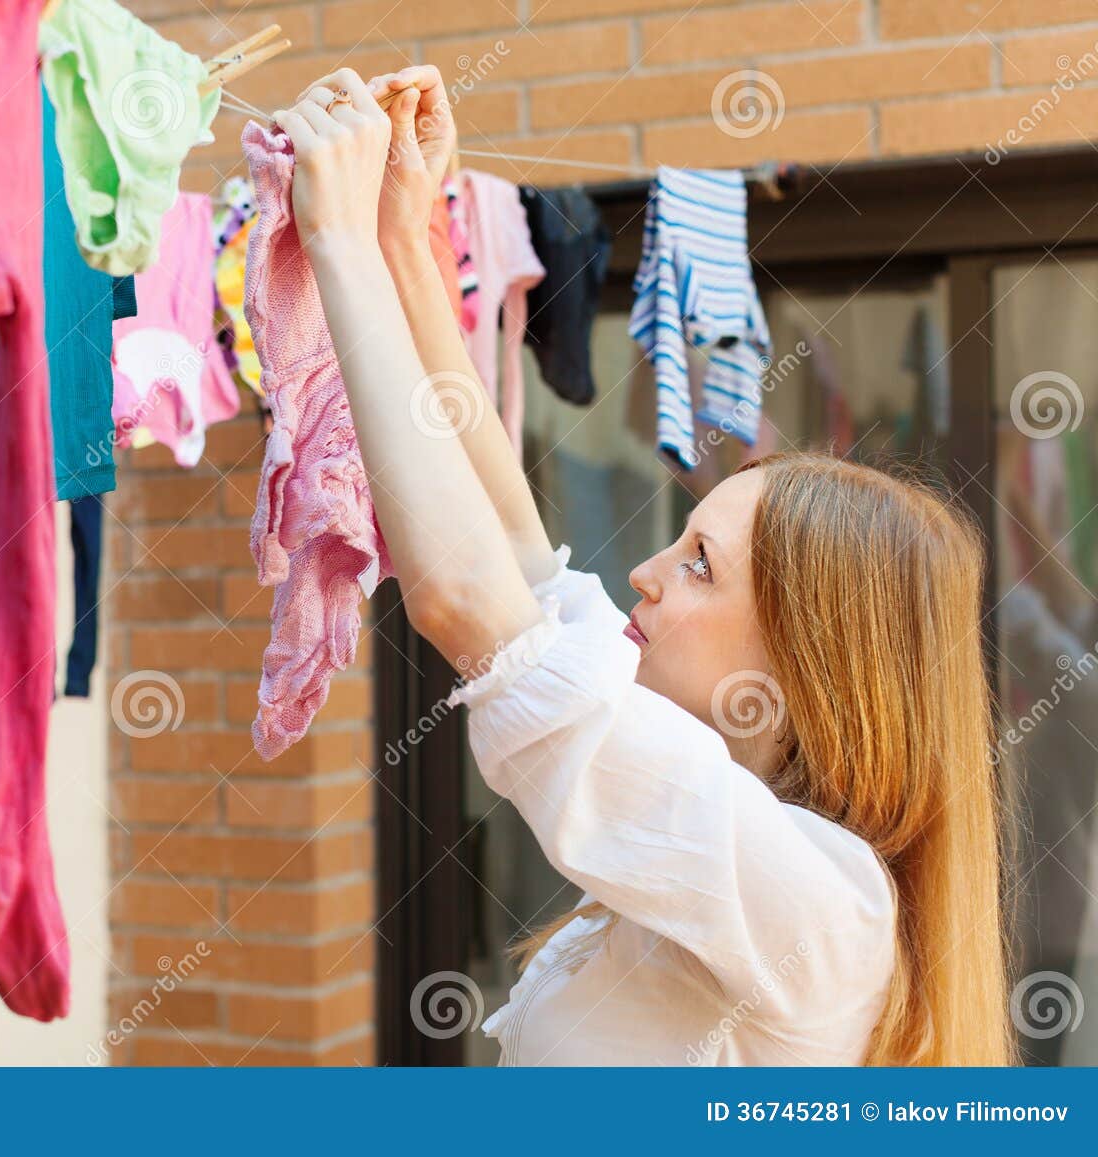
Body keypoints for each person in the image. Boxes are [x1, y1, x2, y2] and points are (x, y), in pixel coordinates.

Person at [271, 66, 1014, 1065]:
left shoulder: (825, 910)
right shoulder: (724, 817)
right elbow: (518, 543)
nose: (645, 574)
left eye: (700, 564)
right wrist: (404, 236)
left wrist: (338, 243)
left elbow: (469, 603)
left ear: (805, 659)